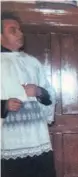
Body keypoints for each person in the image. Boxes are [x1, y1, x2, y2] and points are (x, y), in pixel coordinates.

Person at [1, 11, 56, 177]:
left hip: (37, 139)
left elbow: (50, 95)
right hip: (9, 143)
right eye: (13, 30)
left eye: (20, 29)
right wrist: (4, 104)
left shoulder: (32, 62)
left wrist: (38, 91)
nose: (20, 34)